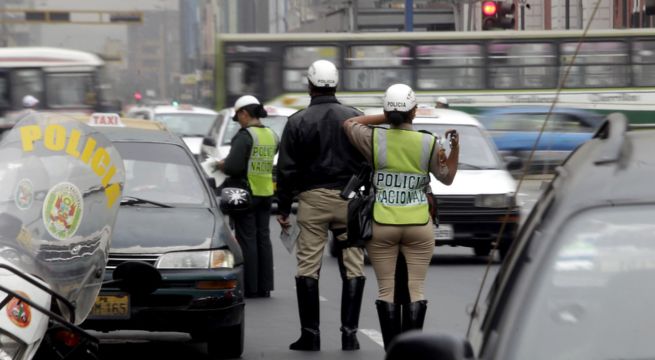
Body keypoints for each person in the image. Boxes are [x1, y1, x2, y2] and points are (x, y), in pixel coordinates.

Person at [342, 83, 459, 350]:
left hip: (382, 223)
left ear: (387, 111)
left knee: (387, 291)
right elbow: (447, 178)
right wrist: (456, 148)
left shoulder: (373, 139)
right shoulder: (428, 142)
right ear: (414, 112)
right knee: (416, 288)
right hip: (419, 224)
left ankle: (392, 350)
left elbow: (349, 122)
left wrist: (387, 115)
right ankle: (413, 352)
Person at [277, 59, 367, 351]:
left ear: (309, 85)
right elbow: (369, 161)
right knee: (353, 266)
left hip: (312, 201)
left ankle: (311, 335)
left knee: (308, 267)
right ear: (336, 84)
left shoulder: (297, 121)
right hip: (349, 201)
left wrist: (283, 207)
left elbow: (287, 170)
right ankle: (349, 335)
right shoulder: (355, 118)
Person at [216, 95, 278, 298]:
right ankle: (264, 286)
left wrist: (221, 164)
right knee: (263, 238)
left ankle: (250, 286)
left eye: (239, 116)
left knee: (247, 239)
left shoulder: (245, 136)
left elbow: (234, 166)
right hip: (266, 192)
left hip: (247, 193)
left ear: (244, 113)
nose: (238, 121)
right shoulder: (271, 134)